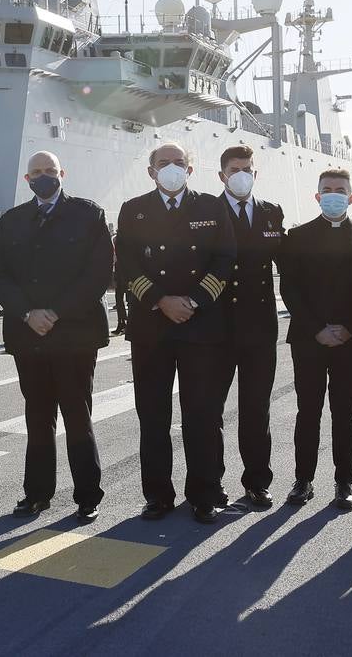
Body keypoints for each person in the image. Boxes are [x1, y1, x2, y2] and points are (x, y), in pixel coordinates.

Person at [0, 150, 112, 523]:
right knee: (38, 417)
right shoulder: (12, 220)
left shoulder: (89, 214)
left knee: (77, 414)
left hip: (74, 333)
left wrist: (56, 312)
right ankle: (37, 494)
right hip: (30, 334)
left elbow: (98, 272)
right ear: (27, 180)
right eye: (36, 172)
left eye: (50, 171)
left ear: (62, 173)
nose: (43, 177)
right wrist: (28, 312)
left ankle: (87, 495)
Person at [116, 143, 236, 523]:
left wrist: (195, 300)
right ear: (151, 171)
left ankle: (205, 493)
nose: (172, 168)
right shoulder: (133, 210)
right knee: (153, 415)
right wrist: (159, 300)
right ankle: (157, 495)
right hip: (151, 327)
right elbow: (127, 265)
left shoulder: (211, 207)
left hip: (200, 325)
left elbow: (225, 258)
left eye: (179, 163)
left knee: (201, 414)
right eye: (163, 163)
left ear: (191, 168)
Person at [279, 169, 352, 510]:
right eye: (326, 190)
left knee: (345, 413)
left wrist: (350, 328)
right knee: (308, 410)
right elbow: (290, 289)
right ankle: (304, 479)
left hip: (349, 339)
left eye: (339, 190)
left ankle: (345, 482)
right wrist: (317, 328)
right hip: (308, 338)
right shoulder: (297, 237)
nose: (333, 194)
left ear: (351, 197)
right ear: (316, 196)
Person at [216, 144, 285, 509]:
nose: (241, 174)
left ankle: (257, 481)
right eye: (234, 168)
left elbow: (288, 266)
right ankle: (210, 483)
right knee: (210, 410)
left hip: (260, 328)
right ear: (222, 175)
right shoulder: (207, 212)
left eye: (247, 168)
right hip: (216, 328)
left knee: (256, 409)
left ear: (255, 173)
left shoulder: (272, 213)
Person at [110, 224, 128, 337]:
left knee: (122, 300)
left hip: (124, 272)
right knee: (121, 300)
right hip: (122, 272)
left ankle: (123, 323)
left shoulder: (117, 238)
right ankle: (123, 323)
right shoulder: (118, 238)